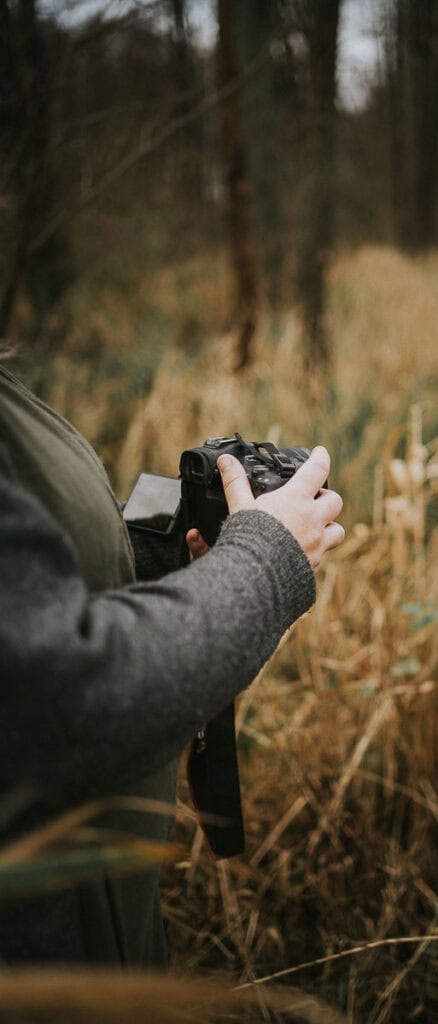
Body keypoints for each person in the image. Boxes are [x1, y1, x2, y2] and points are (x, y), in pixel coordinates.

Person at [0, 361, 344, 966]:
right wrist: (265, 561)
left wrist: (164, 558)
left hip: (100, 925)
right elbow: (66, 699)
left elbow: (31, 590)